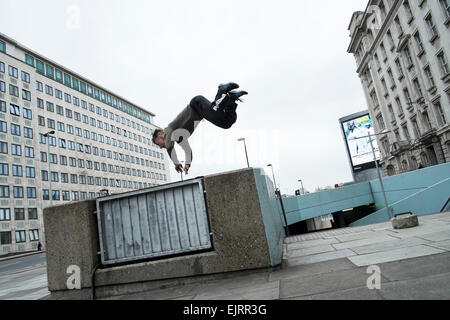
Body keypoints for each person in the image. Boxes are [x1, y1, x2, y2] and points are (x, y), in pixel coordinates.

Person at [152, 83, 248, 175]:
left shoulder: (169, 129)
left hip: (197, 105)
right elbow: (188, 151)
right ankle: (231, 99)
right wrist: (187, 164)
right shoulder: (179, 138)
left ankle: (222, 90)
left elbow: (169, 146)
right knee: (226, 123)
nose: (161, 147)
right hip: (201, 111)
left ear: (160, 137)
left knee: (216, 110)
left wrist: (176, 163)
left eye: (158, 144)